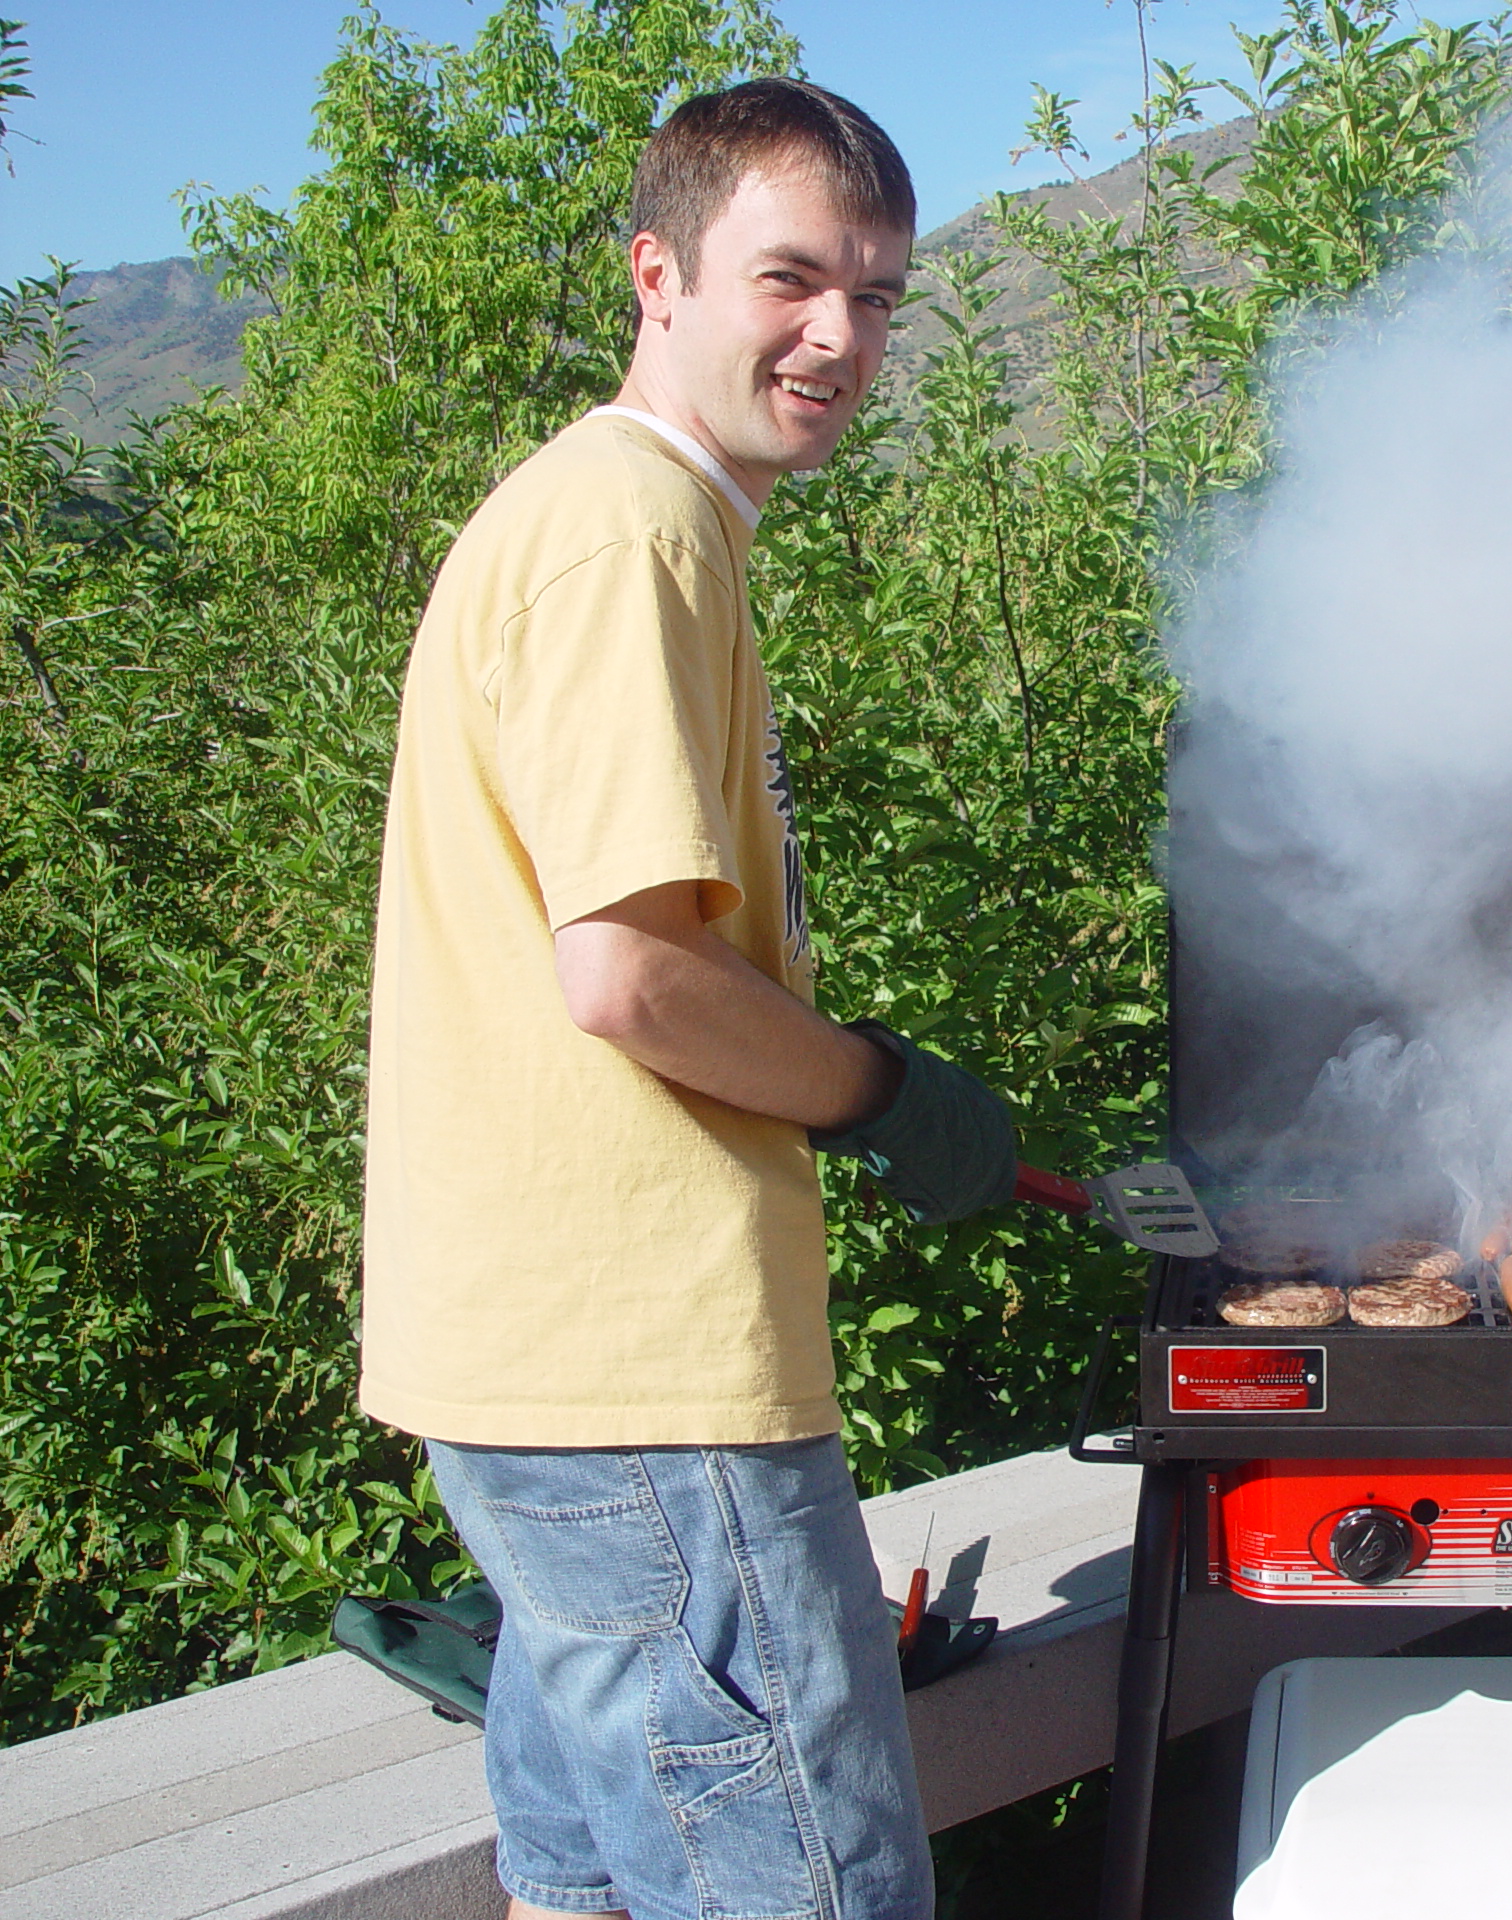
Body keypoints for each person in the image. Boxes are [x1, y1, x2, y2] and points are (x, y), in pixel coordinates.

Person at [359, 77, 1015, 1920]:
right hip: (639, 1377)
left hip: (543, 1365)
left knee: (584, 1882)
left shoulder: (629, 518)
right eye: (791, 279)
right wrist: (882, 1091)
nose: (839, 335)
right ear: (660, 272)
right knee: (804, 1888)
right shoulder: (630, 532)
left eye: (878, 295)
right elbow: (633, 973)